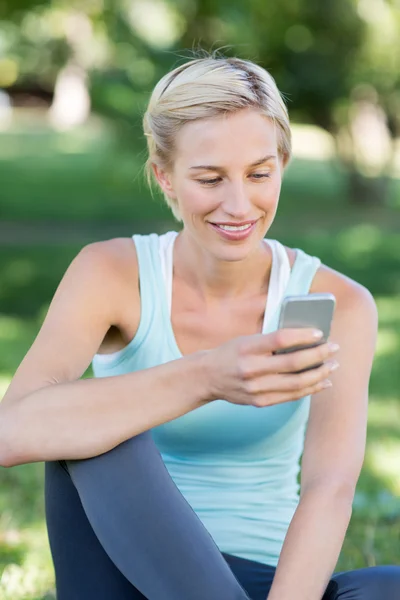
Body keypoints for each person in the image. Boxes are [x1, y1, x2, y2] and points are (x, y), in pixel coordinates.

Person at [0, 54, 399, 600]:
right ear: (164, 175)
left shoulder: (341, 304)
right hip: (124, 576)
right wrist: (207, 376)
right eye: (210, 179)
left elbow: (329, 488)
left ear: (283, 161)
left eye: (260, 173)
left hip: (267, 584)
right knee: (99, 423)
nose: (239, 206)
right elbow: (12, 431)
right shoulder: (111, 274)